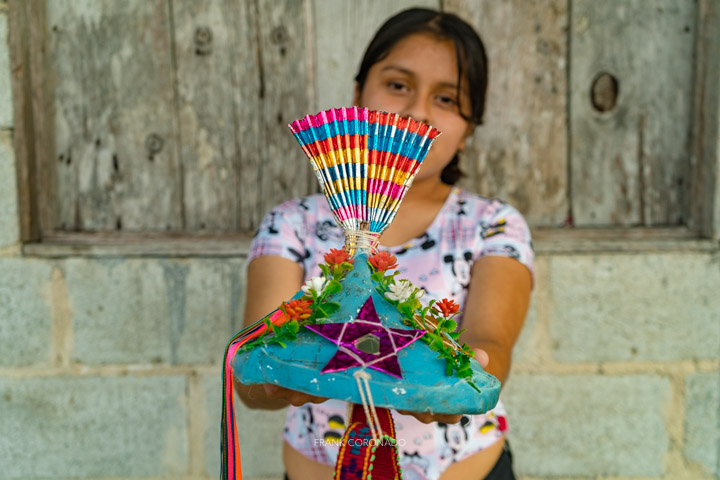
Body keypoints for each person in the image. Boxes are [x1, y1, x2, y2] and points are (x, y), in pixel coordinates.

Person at [235, 7, 533, 480]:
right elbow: (249, 376)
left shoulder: (492, 225)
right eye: (398, 85)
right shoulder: (291, 223)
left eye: (447, 99)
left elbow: (490, 346)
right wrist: (278, 377)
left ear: (470, 126)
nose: (416, 111)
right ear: (357, 94)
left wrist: (460, 376)